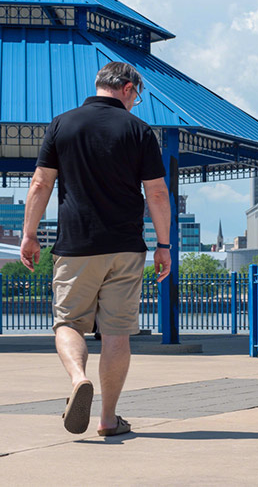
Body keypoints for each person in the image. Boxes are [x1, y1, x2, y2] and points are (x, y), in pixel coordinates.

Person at [20, 61, 172, 437]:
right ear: (126, 87)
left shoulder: (62, 124)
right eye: (137, 95)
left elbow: (41, 184)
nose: (136, 102)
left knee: (69, 323)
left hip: (76, 245)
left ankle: (77, 380)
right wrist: (164, 245)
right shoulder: (139, 131)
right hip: (125, 246)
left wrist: (29, 234)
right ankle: (107, 418)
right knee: (117, 333)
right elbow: (155, 192)